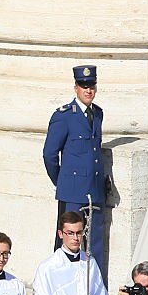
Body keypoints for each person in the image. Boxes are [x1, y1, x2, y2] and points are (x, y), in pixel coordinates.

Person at [42, 64, 108, 279]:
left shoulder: (97, 114)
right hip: (72, 194)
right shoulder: (64, 116)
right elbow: (49, 155)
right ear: (76, 88)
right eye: (83, 86)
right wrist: (62, 182)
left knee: (94, 247)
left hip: (94, 191)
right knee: (68, 245)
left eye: (92, 86)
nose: (88, 90)